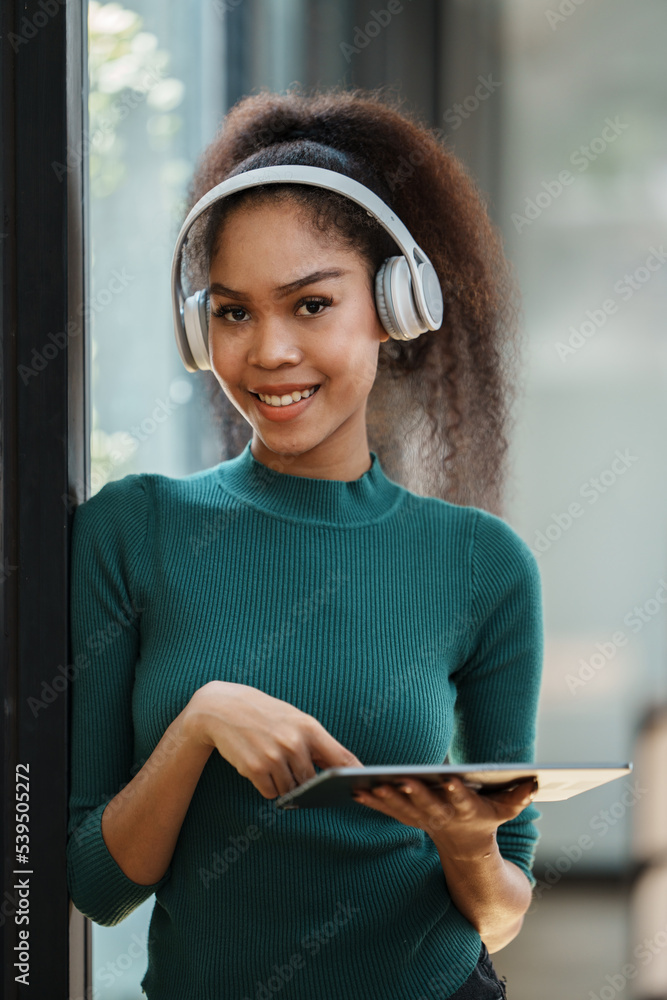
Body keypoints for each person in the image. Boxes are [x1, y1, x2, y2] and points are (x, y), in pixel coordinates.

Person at [67, 84, 544, 1000]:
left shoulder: (482, 566)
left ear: (394, 308)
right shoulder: (132, 531)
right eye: (234, 312)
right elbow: (95, 885)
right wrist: (198, 723)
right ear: (197, 331)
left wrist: (465, 841)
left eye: (310, 305)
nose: (269, 352)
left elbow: (498, 913)